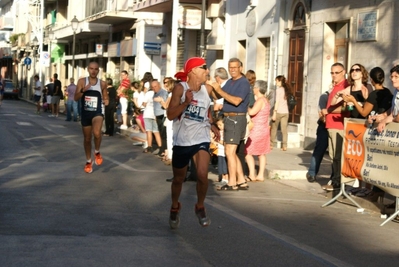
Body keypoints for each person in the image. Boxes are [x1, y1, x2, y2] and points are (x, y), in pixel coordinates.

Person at [167, 57, 219, 229]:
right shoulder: (180, 89)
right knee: (178, 179)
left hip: (201, 138)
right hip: (183, 141)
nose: (207, 71)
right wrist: (186, 103)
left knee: (203, 175)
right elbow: (170, 115)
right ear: (193, 71)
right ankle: (175, 206)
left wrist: (213, 125)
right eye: (204, 68)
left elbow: (207, 111)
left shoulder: (208, 89)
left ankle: (200, 206)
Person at [210, 58, 250, 191]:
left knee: (229, 151)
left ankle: (232, 182)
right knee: (234, 152)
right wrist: (210, 87)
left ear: (241, 68)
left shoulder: (243, 82)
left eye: (235, 67)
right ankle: (242, 181)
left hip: (236, 119)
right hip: (228, 119)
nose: (232, 69)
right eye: (230, 67)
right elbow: (218, 95)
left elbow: (236, 101)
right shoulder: (230, 82)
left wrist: (219, 91)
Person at [74, 61, 109, 173]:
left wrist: (106, 101)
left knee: (97, 133)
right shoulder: (82, 81)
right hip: (86, 113)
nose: (93, 71)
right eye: (91, 68)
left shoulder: (102, 84)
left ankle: (97, 152)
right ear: (88, 69)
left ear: (98, 70)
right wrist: (83, 90)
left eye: (96, 69)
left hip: (97, 112)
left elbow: (105, 97)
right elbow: (76, 98)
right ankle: (89, 161)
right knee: (87, 139)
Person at [320, 62, 350, 191]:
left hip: (339, 125)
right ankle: (335, 180)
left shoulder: (345, 86)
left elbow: (347, 107)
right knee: (332, 156)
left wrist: (329, 111)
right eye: (332, 73)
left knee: (337, 156)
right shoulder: (335, 86)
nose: (334, 75)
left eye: (336, 72)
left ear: (343, 72)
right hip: (330, 125)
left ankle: (337, 182)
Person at [244, 80, 271, 182]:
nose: (253, 89)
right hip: (264, 129)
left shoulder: (260, 101)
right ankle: (260, 175)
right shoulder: (266, 100)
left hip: (257, 129)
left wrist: (246, 106)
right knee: (262, 153)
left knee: (248, 151)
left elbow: (252, 112)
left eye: (254, 87)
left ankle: (252, 174)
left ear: (258, 89)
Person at [306, 89, 333, 183]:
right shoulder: (325, 96)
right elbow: (321, 114)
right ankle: (312, 173)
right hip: (324, 126)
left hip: (337, 126)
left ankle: (334, 177)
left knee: (334, 154)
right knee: (319, 150)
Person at [270, 75, 291, 151]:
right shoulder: (287, 90)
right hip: (285, 112)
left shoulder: (278, 90)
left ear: (279, 81)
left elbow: (277, 102)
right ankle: (284, 145)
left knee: (274, 128)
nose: (275, 82)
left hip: (278, 111)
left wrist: (274, 112)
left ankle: (271, 144)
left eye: (276, 81)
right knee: (284, 129)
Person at [152, 79, 169, 156]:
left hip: (162, 115)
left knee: (163, 134)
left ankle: (164, 150)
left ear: (159, 85)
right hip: (158, 115)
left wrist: (161, 101)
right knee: (161, 133)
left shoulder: (163, 93)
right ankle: (162, 149)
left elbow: (165, 104)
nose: (154, 88)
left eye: (155, 86)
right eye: (152, 87)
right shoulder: (155, 93)